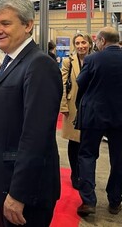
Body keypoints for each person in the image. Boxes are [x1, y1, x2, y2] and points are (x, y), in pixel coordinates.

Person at [0, 0, 62, 227]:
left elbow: (36, 136)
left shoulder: (39, 65)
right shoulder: (10, 61)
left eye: (5, 23)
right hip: (5, 181)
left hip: (25, 192)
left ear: (27, 25)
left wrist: (18, 194)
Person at [75, 26, 122, 217]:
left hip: (93, 115)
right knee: (119, 159)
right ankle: (115, 200)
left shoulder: (93, 59)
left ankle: (88, 201)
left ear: (102, 41)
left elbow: (80, 81)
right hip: (120, 117)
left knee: (87, 156)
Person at [60, 33, 93, 190]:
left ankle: (85, 174)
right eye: (78, 43)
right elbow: (62, 84)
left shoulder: (95, 60)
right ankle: (75, 173)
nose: (81, 46)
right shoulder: (68, 62)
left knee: (87, 141)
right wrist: (63, 106)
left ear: (90, 44)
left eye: (84, 42)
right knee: (74, 142)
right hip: (73, 105)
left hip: (91, 105)